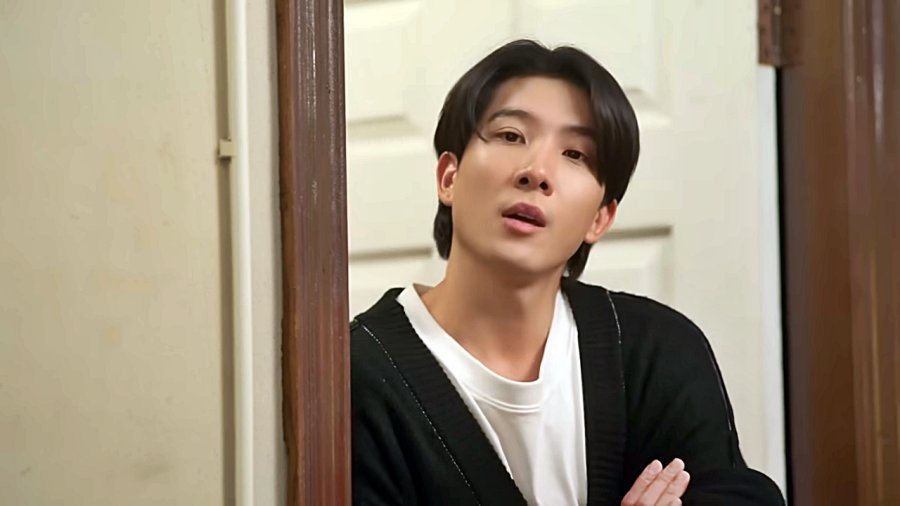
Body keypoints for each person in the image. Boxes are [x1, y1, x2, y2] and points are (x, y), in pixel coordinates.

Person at [350, 39, 783, 505]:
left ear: (600, 218)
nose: (536, 172)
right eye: (511, 136)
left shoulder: (657, 352)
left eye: (575, 154)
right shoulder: (358, 375)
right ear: (448, 178)